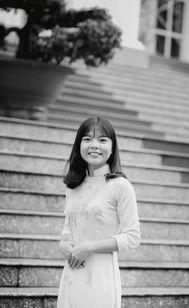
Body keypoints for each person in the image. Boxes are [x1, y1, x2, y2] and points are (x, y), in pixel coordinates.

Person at [57, 116, 140, 308]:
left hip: (101, 276)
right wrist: (63, 242)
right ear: (79, 145)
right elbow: (68, 227)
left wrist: (89, 247)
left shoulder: (120, 186)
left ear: (112, 148)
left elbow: (133, 237)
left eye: (102, 140)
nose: (94, 145)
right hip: (71, 273)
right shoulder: (73, 186)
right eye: (87, 139)